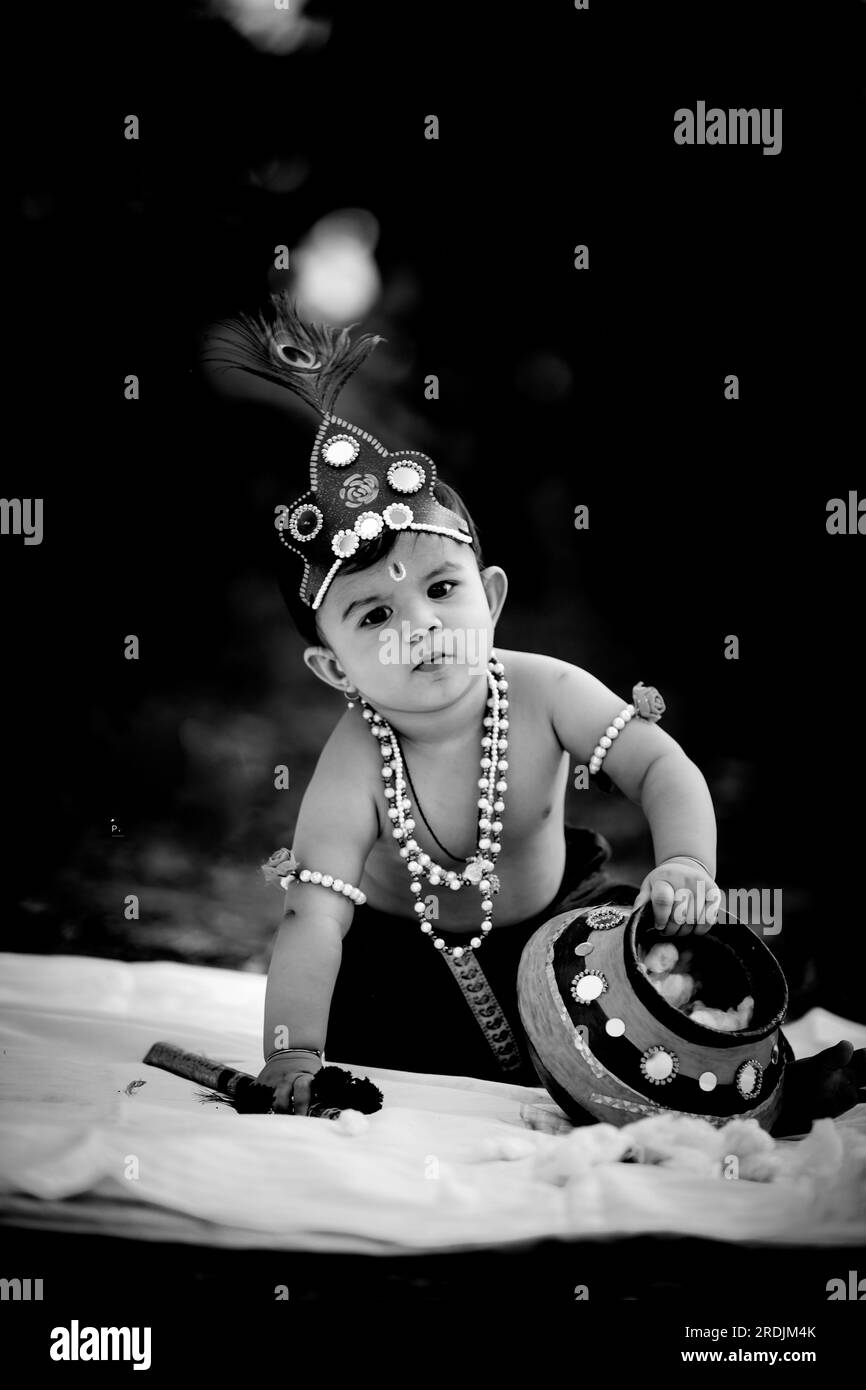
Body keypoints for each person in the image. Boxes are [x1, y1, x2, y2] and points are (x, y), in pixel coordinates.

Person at [208, 297, 865, 1132]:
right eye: (373, 615)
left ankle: (759, 1084)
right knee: (381, 1036)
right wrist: (292, 1050)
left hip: (556, 933)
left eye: (442, 590)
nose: (420, 629)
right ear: (333, 666)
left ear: (489, 596)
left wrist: (688, 865)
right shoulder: (356, 762)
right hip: (412, 963)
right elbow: (314, 915)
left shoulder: (545, 690)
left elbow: (661, 766)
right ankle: (555, 1076)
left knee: (671, 967)